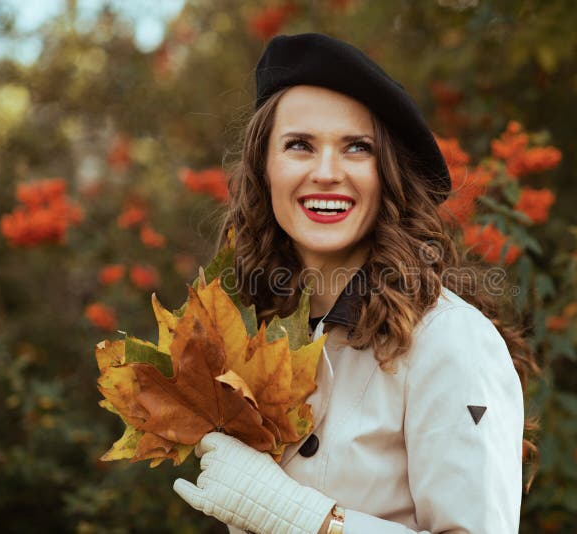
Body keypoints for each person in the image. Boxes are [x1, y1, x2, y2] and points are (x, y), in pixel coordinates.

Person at [173, 33, 537, 533]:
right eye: (299, 145)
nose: (326, 173)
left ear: (387, 174)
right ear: (264, 167)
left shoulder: (450, 340)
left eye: (357, 148)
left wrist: (307, 519)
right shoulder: (254, 330)